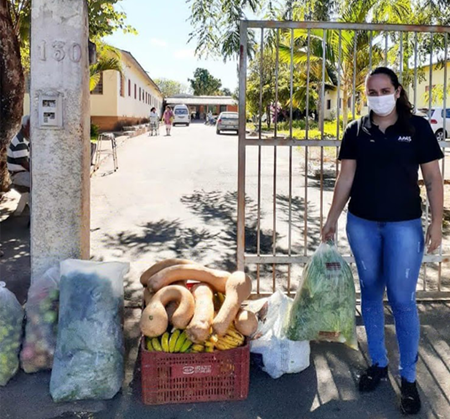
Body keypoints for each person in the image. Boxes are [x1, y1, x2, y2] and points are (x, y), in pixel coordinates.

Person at [322, 67, 443, 416]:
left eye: (384, 90)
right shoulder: (356, 131)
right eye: (372, 92)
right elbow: (345, 178)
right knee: (371, 294)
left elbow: (433, 179)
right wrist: (331, 219)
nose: (379, 97)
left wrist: (435, 223)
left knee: (403, 300)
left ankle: (408, 378)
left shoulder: (417, 128)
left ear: (398, 90)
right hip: (362, 225)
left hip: (404, 226)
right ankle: (377, 362)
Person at [8, 115, 31, 190]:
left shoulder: (24, 139)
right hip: (18, 175)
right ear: (25, 126)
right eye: (30, 125)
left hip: (21, 173)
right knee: (39, 181)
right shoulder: (20, 142)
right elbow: (26, 165)